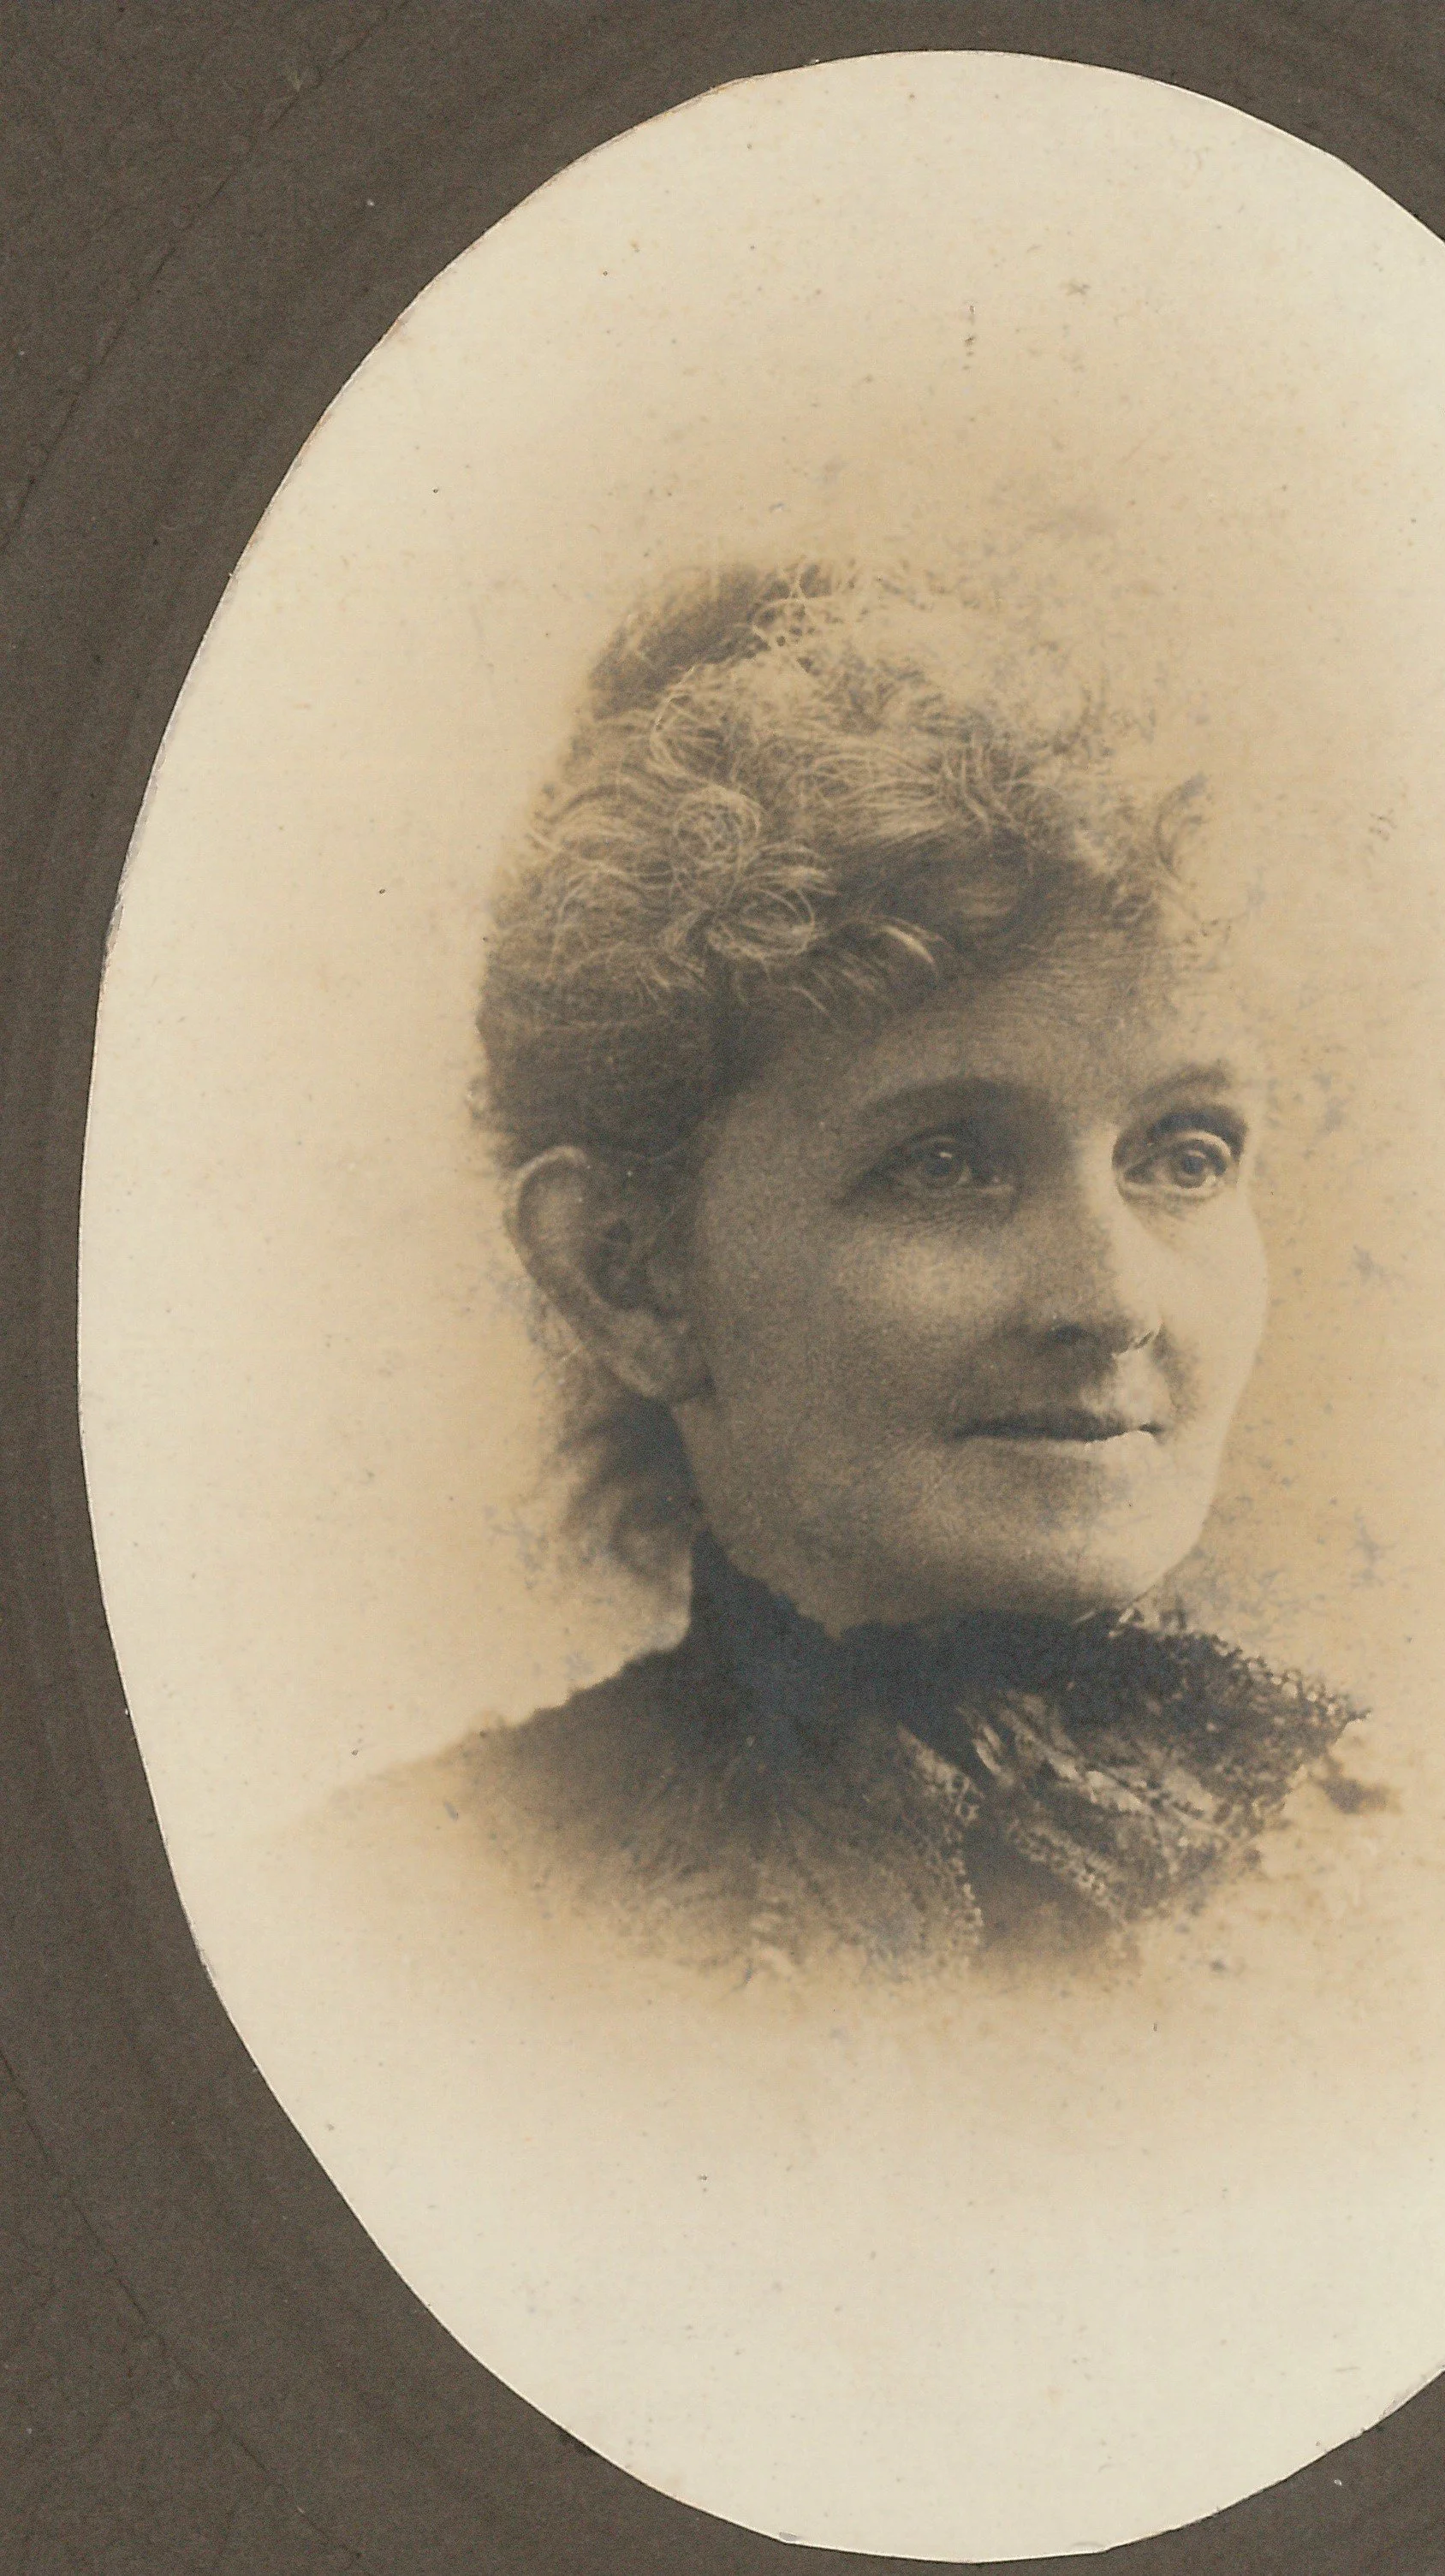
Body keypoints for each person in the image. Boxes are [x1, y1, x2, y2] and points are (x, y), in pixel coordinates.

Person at [395, 561, 1361, 1976]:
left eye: (1183, 1154)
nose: (1113, 1296)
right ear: (630, 1274)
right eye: (949, 1164)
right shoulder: (416, 1926)